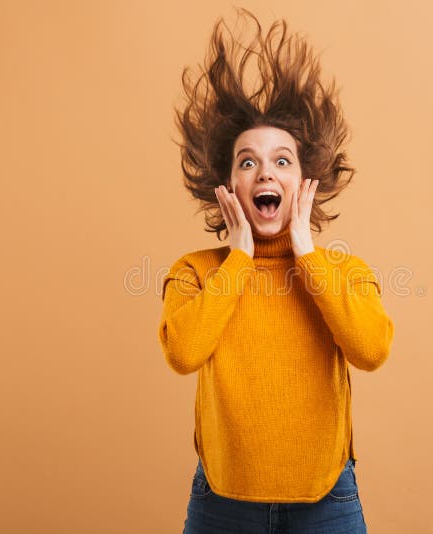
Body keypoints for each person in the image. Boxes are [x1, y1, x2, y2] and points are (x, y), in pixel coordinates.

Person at [158, 8, 395, 533]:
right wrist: (240, 257)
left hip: (327, 500)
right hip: (221, 501)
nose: (265, 170)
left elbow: (371, 350)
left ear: (306, 181)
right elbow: (184, 353)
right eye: (248, 162)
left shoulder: (344, 270)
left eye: (282, 161)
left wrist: (307, 253)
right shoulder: (195, 272)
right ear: (226, 185)